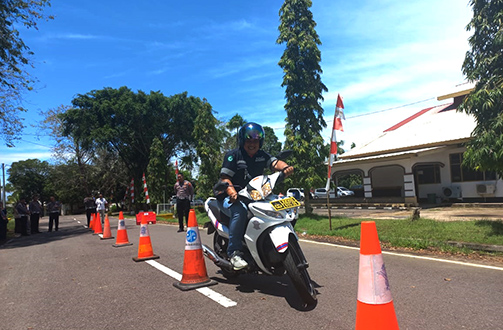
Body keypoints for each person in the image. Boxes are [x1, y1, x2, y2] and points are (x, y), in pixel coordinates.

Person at [219, 122, 293, 270]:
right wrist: (232, 192)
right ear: (242, 141)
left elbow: (275, 163)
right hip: (231, 197)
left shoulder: (261, 155)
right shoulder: (233, 156)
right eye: (249, 140)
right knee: (239, 211)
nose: (252, 143)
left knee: (282, 204)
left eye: (256, 141)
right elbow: (224, 178)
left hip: (255, 195)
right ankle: (235, 253)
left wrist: (285, 167)